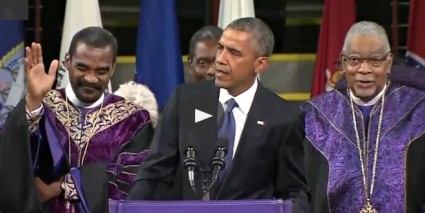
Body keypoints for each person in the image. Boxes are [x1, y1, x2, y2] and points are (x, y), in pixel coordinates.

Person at [128, 17, 309, 211]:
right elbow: (155, 173)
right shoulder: (185, 100)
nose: (221, 59)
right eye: (221, 48)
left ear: (260, 64)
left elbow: (294, 191)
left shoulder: (283, 116)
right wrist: (132, 208)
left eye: (234, 53)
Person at [0, 27, 154, 213]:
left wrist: (66, 184)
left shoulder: (134, 120)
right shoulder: (43, 106)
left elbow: (134, 182)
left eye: (101, 71)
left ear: (113, 68)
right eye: (82, 68)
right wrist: (33, 101)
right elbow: (13, 159)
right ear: (68, 61)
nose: (91, 78)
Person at [302, 21, 425, 212]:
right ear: (343, 63)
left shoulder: (418, 110)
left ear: (389, 62)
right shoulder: (314, 115)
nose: (364, 69)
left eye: (375, 60)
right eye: (354, 60)